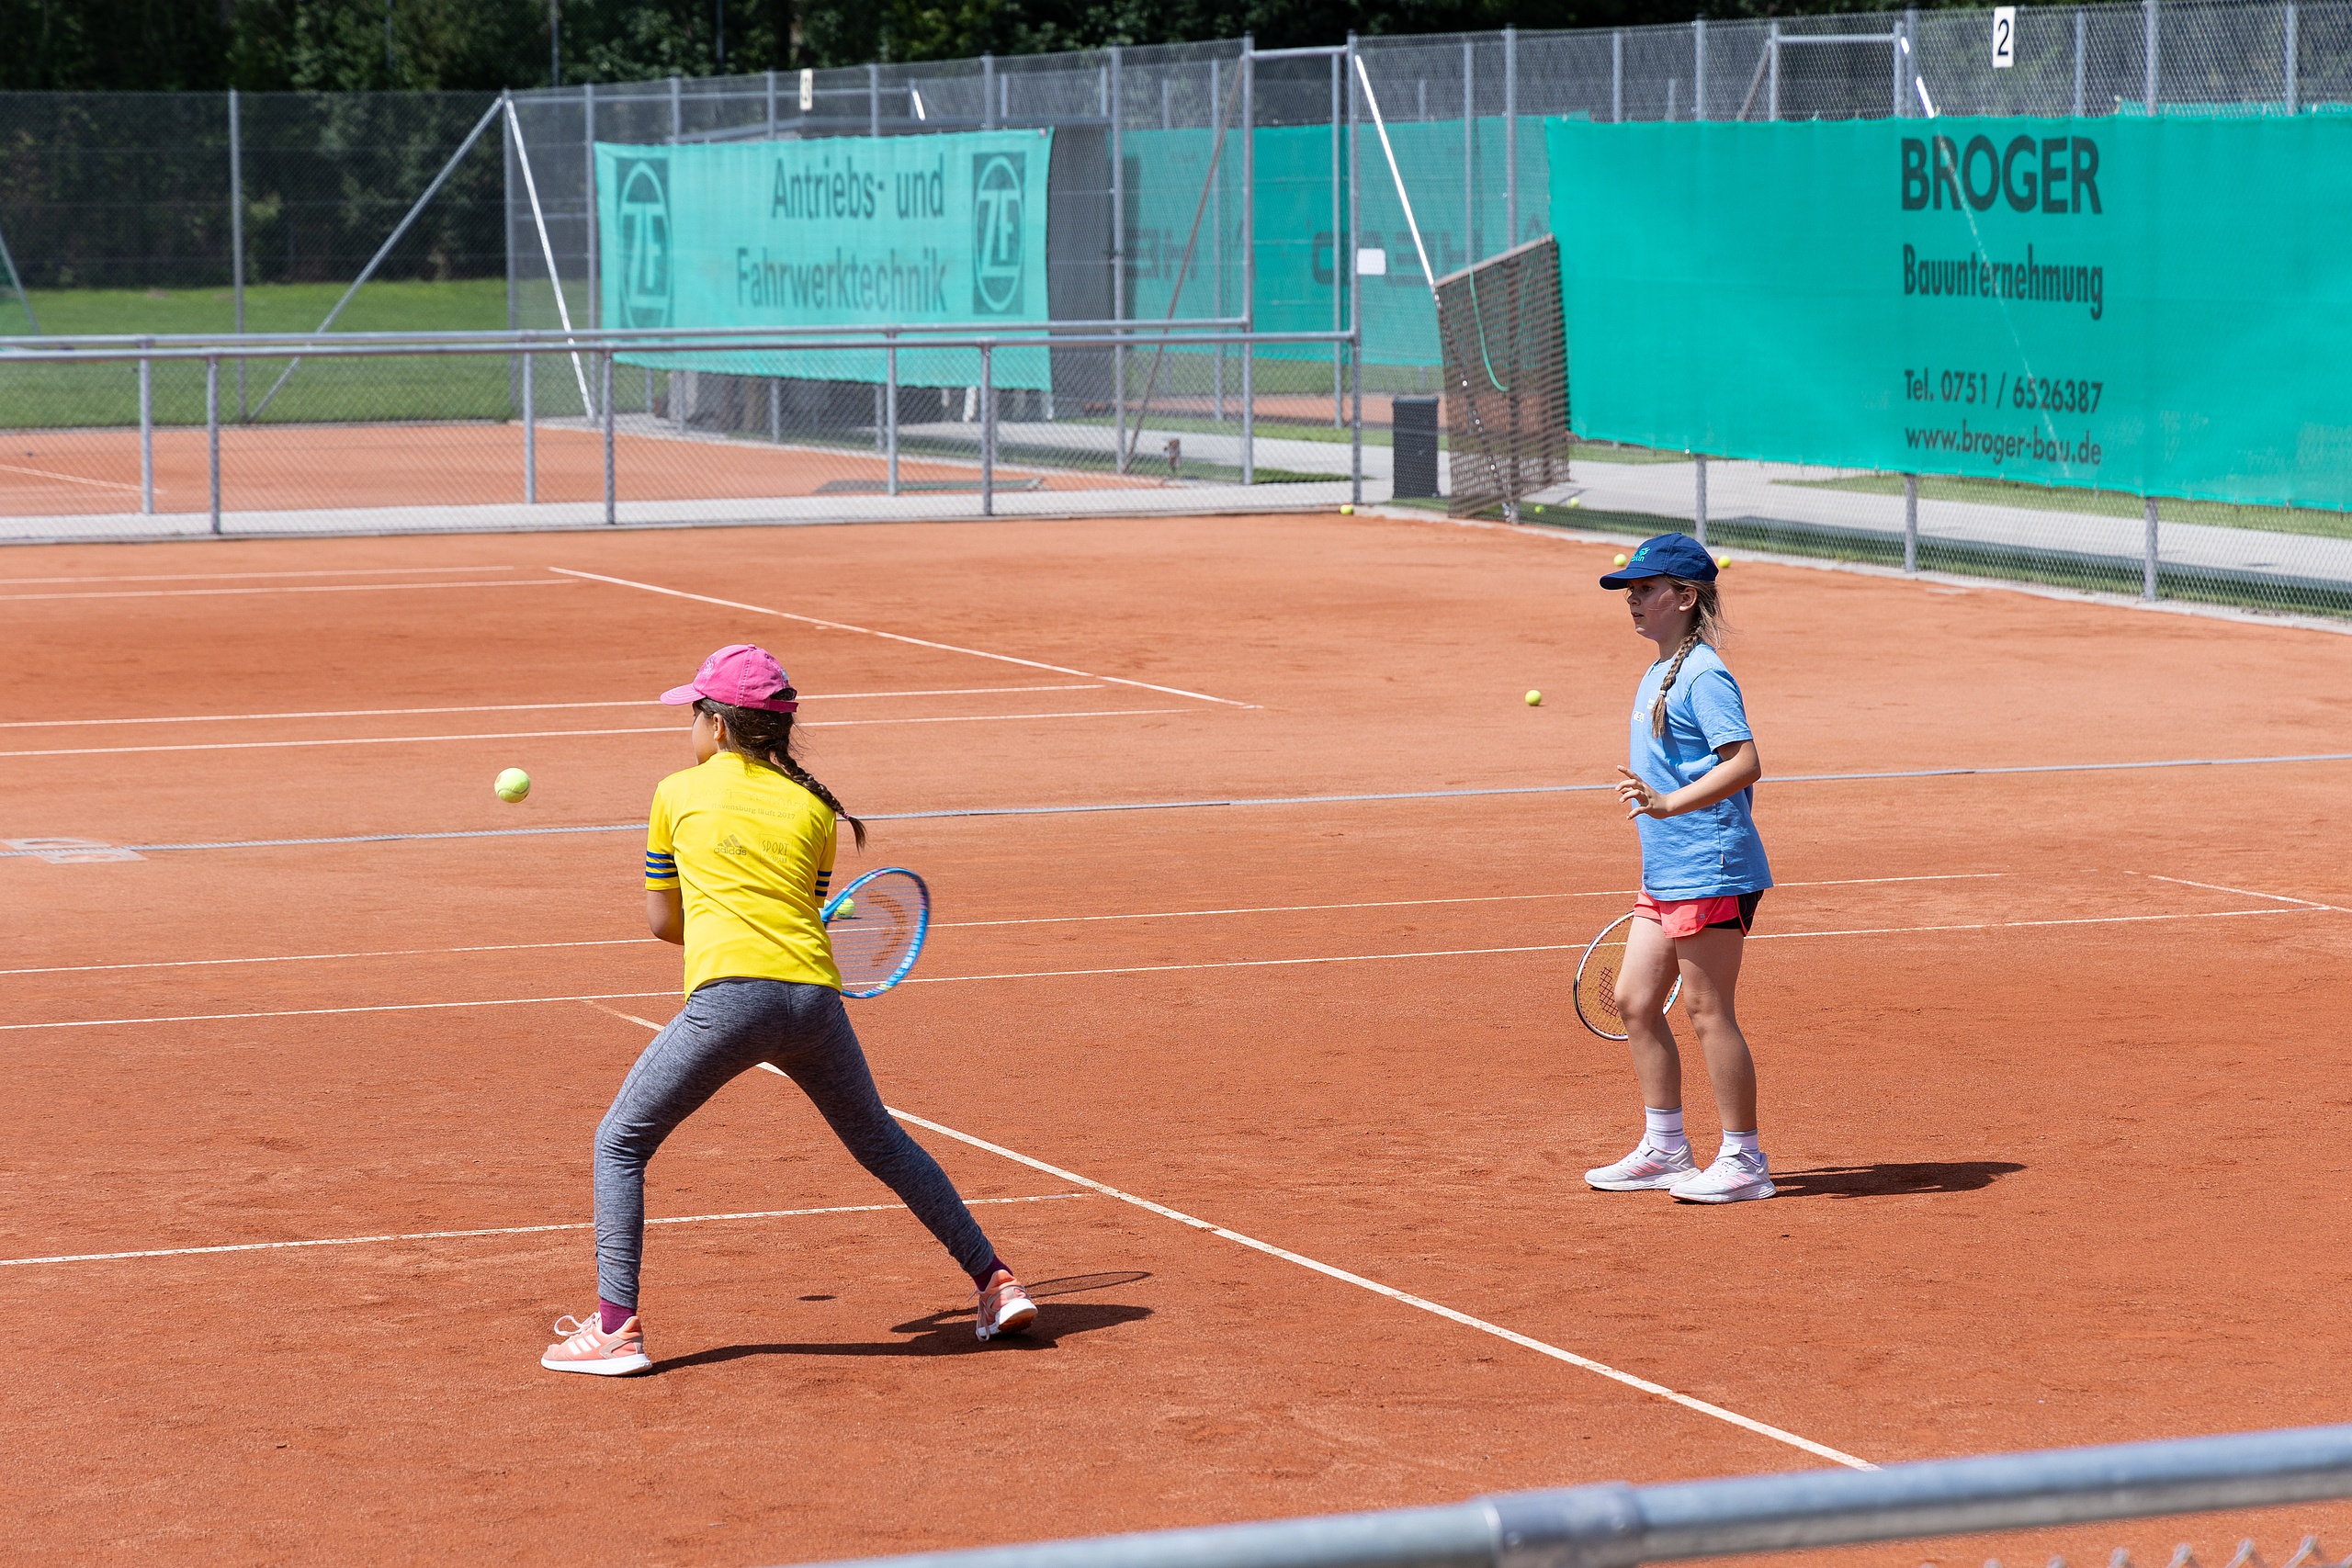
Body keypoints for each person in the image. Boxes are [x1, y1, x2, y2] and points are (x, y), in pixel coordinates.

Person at [542, 643, 1037, 1374]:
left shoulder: (676, 793)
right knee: (882, 1143)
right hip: (813, 999)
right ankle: (996, 1281)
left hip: (731, 999)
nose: (689, 726)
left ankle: (615, 1329)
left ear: (715, 723)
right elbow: (801, 914)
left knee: (620, 1140)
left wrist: (714, 928)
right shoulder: (814, 808)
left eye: (693, 713)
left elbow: (662, 923)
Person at [1583, 535, 1778, 1204]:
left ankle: (1744, 1158)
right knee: (1636, 1000)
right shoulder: (1661, 670)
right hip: (1666, 870)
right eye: (1630, 590)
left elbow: (1745, 761)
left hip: (1712, 866)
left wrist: (1667, 802)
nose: (1633, 600)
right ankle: (1666, 1148)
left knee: (1706, 1007)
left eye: (1647, 589)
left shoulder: (1704, 675)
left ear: (1686, 597)